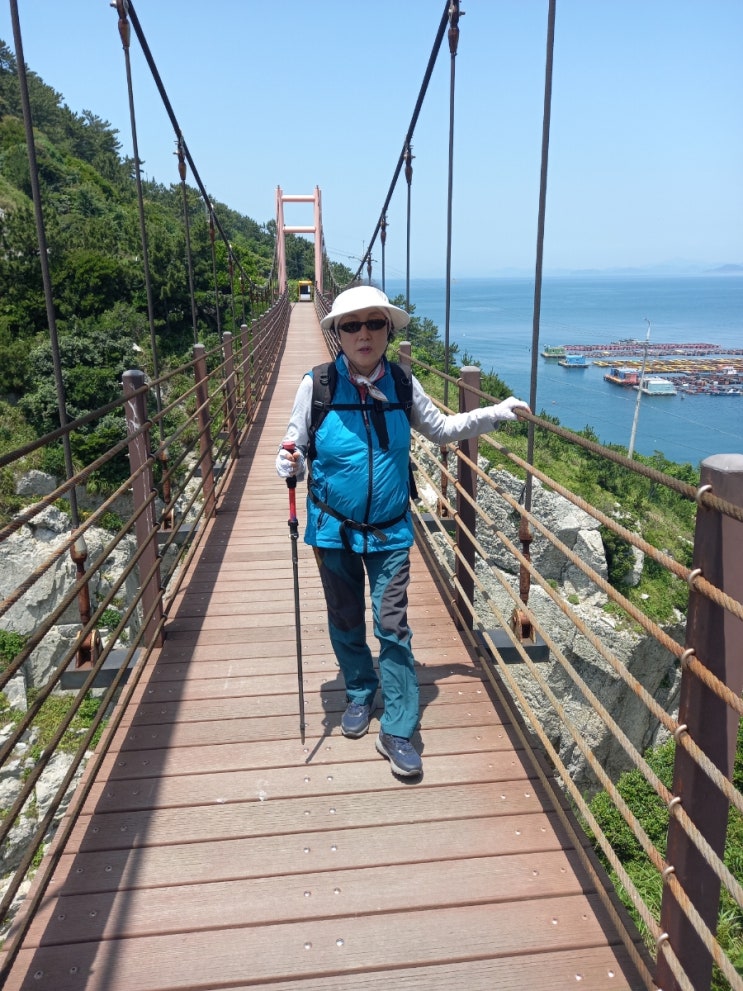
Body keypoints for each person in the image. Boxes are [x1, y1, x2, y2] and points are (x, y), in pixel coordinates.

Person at [276, 285, 529, 778]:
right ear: (337, 333)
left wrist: (497, 412)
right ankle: (358, 690)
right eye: (351, 325)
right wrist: (289, 464)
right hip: (332, 529)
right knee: (345, 619)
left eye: (375, 323)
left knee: (392, 625)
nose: (364, 333)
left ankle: (397, 728)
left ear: (388, 331)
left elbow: (442, 429)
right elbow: (293, 447)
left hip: (390, 531)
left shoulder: (402, 383)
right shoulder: (317, 385)